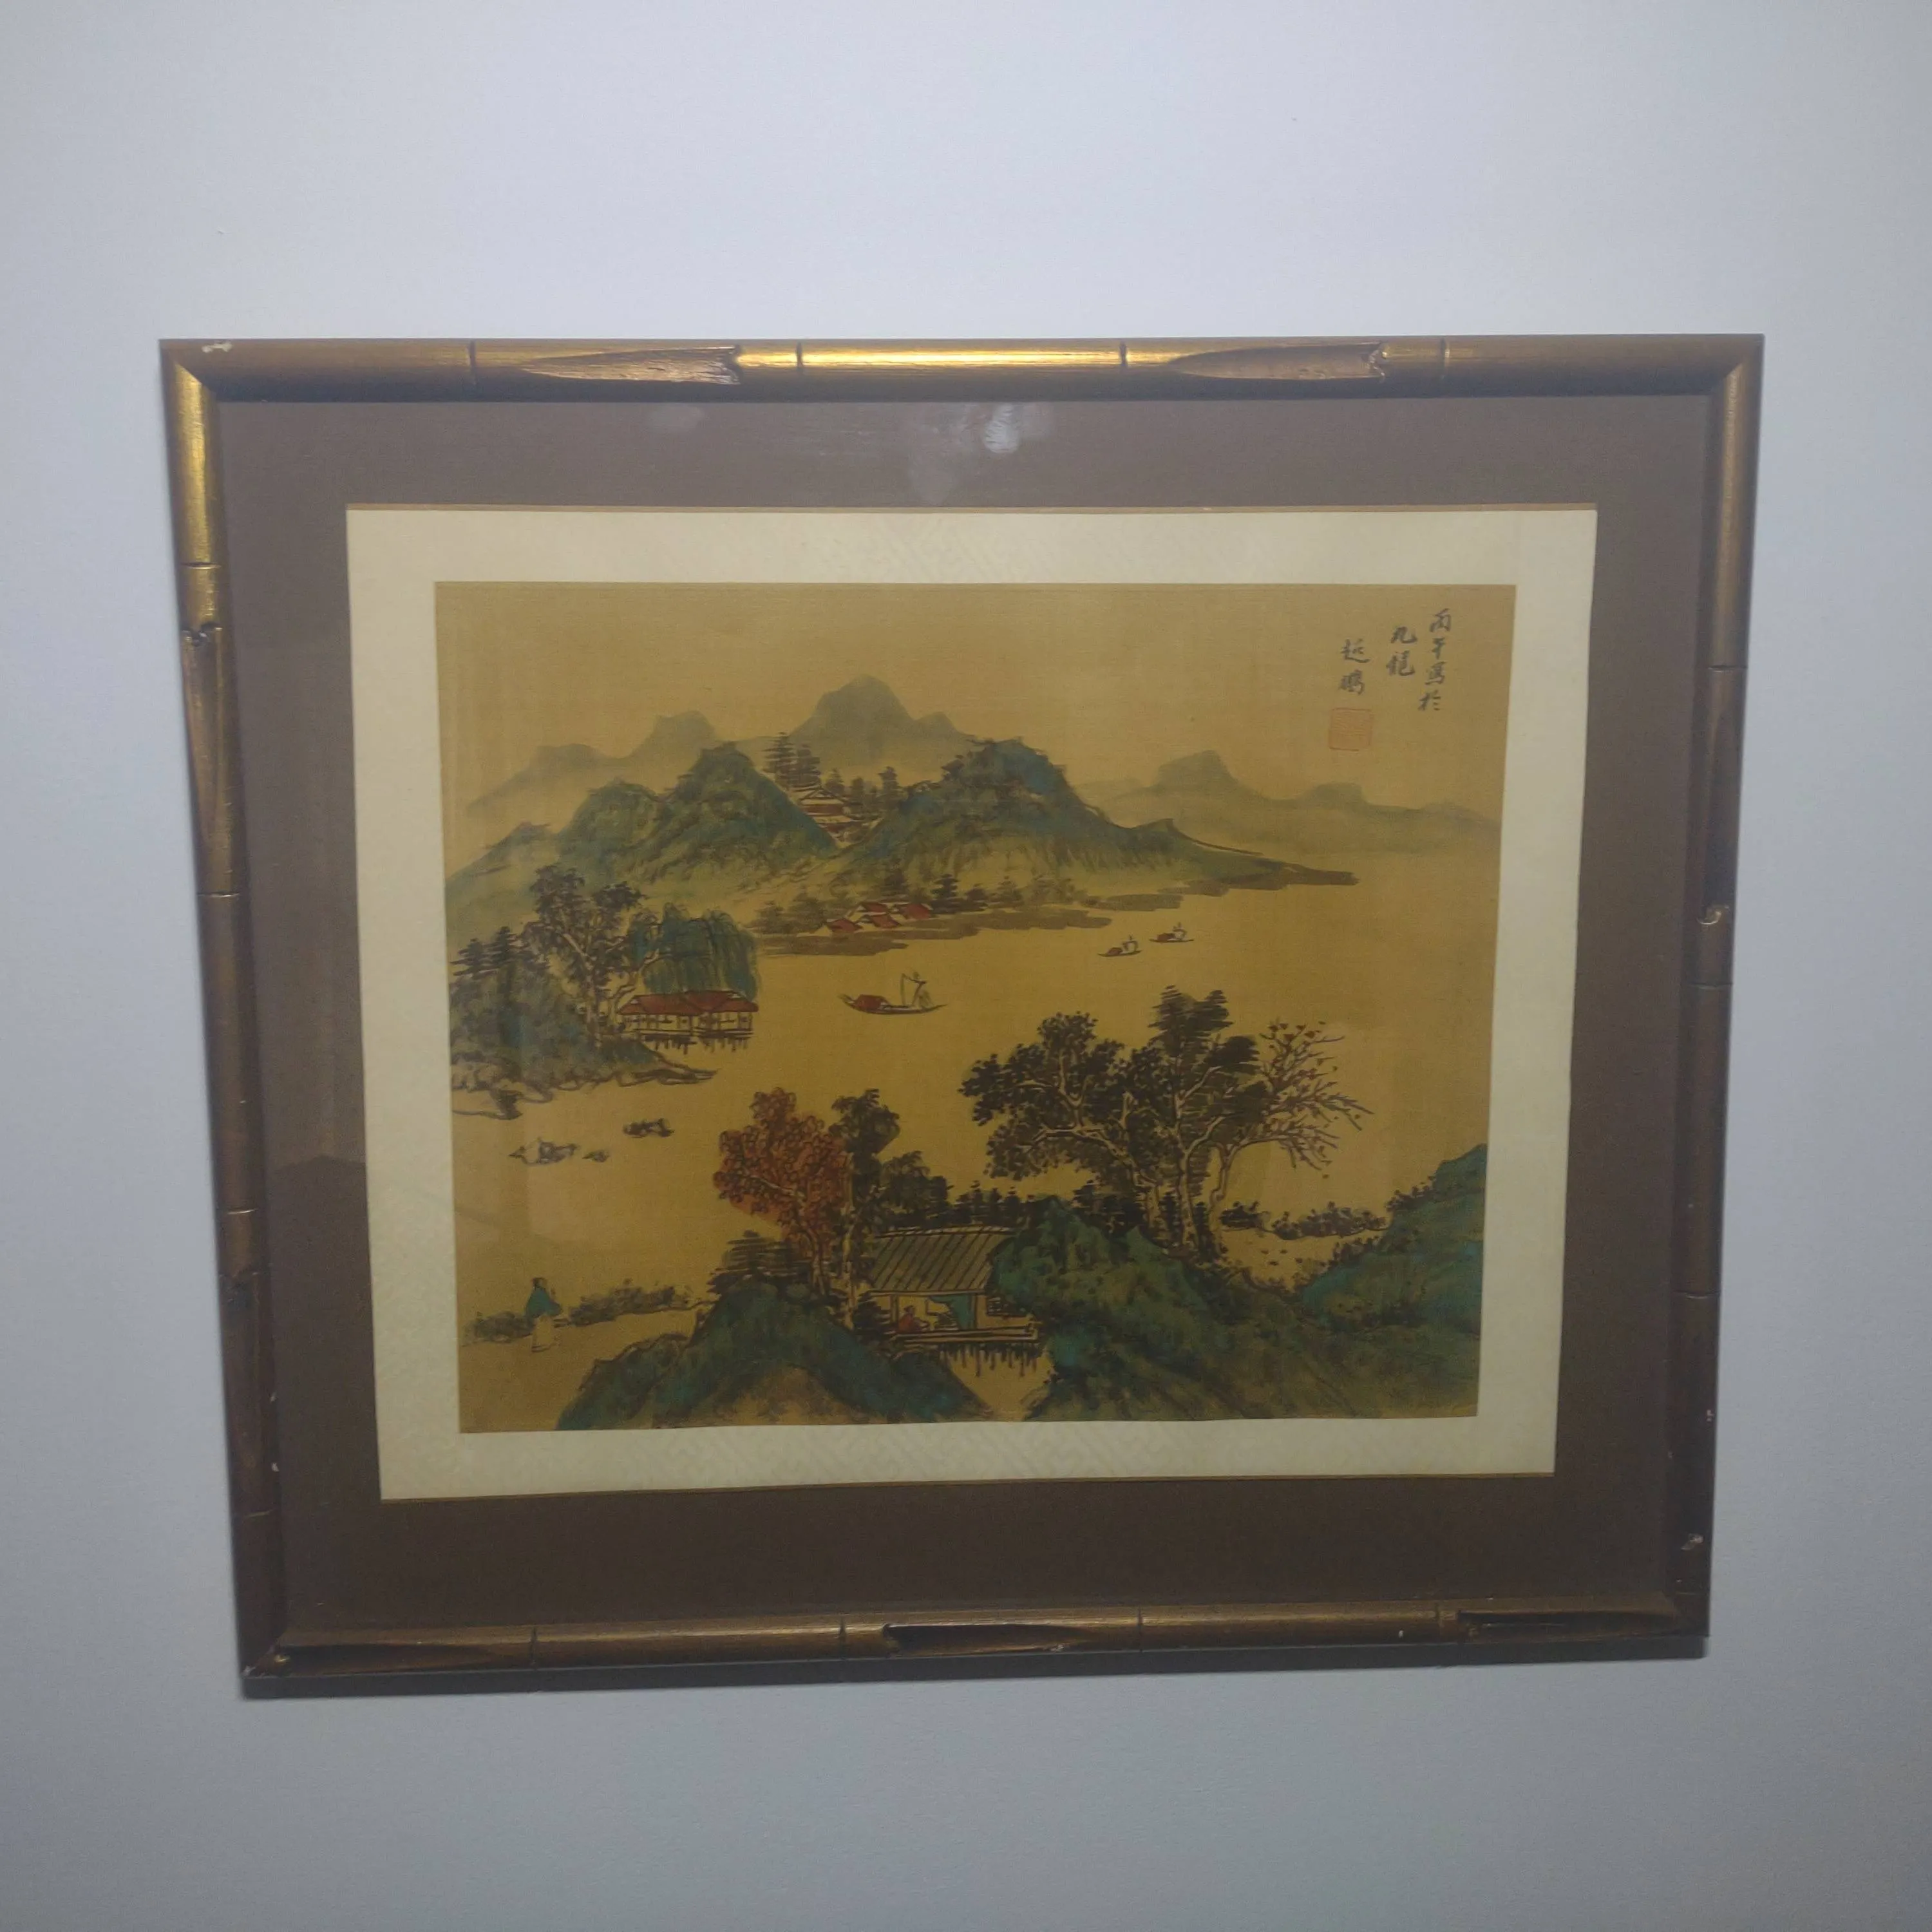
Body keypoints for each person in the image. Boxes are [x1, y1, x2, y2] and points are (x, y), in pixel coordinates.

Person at [525, 1276, 562, 1352]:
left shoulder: (543, 1293)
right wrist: (544, 1313)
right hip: (540, 1316)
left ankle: (548, 1343)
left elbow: (548, 1303)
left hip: (544, 1315)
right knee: (542, 1329)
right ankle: (540, 1345)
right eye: (542, 1282)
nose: (545, 1284)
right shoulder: (538, 1293)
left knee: (547, 1328)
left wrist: (553, 1295)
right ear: (538, 1284)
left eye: (544, 1282)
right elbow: (537, 1306)